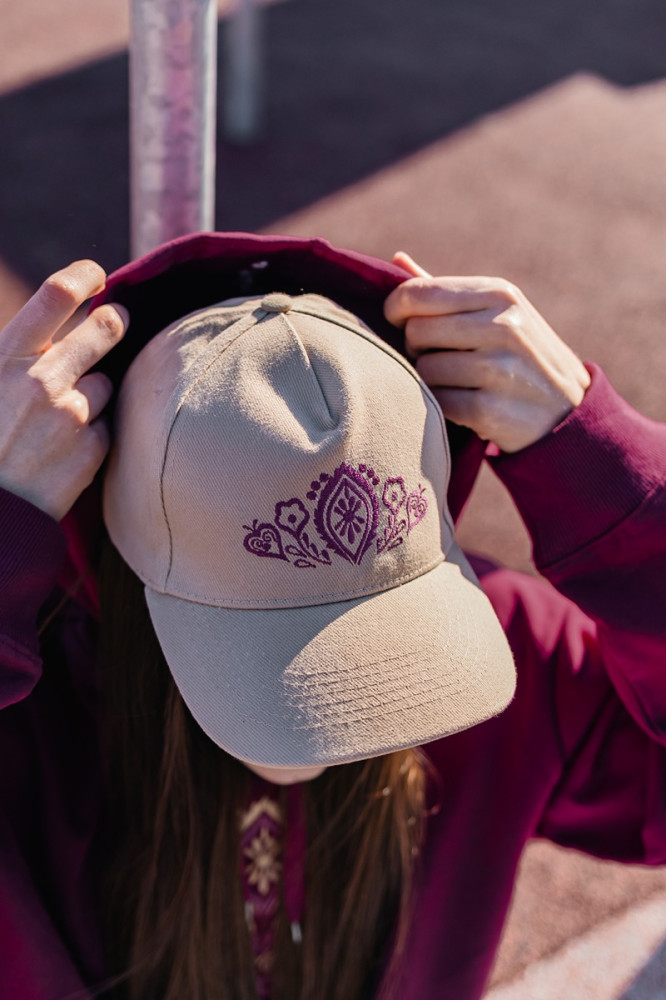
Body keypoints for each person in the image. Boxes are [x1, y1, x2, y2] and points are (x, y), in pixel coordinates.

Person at [0, 232, 664, 1000]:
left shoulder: (515, 647)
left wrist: (608, 468)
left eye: (378, 621)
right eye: (271, 640)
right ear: (119, 547)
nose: (328, 711)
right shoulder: (33, 703)